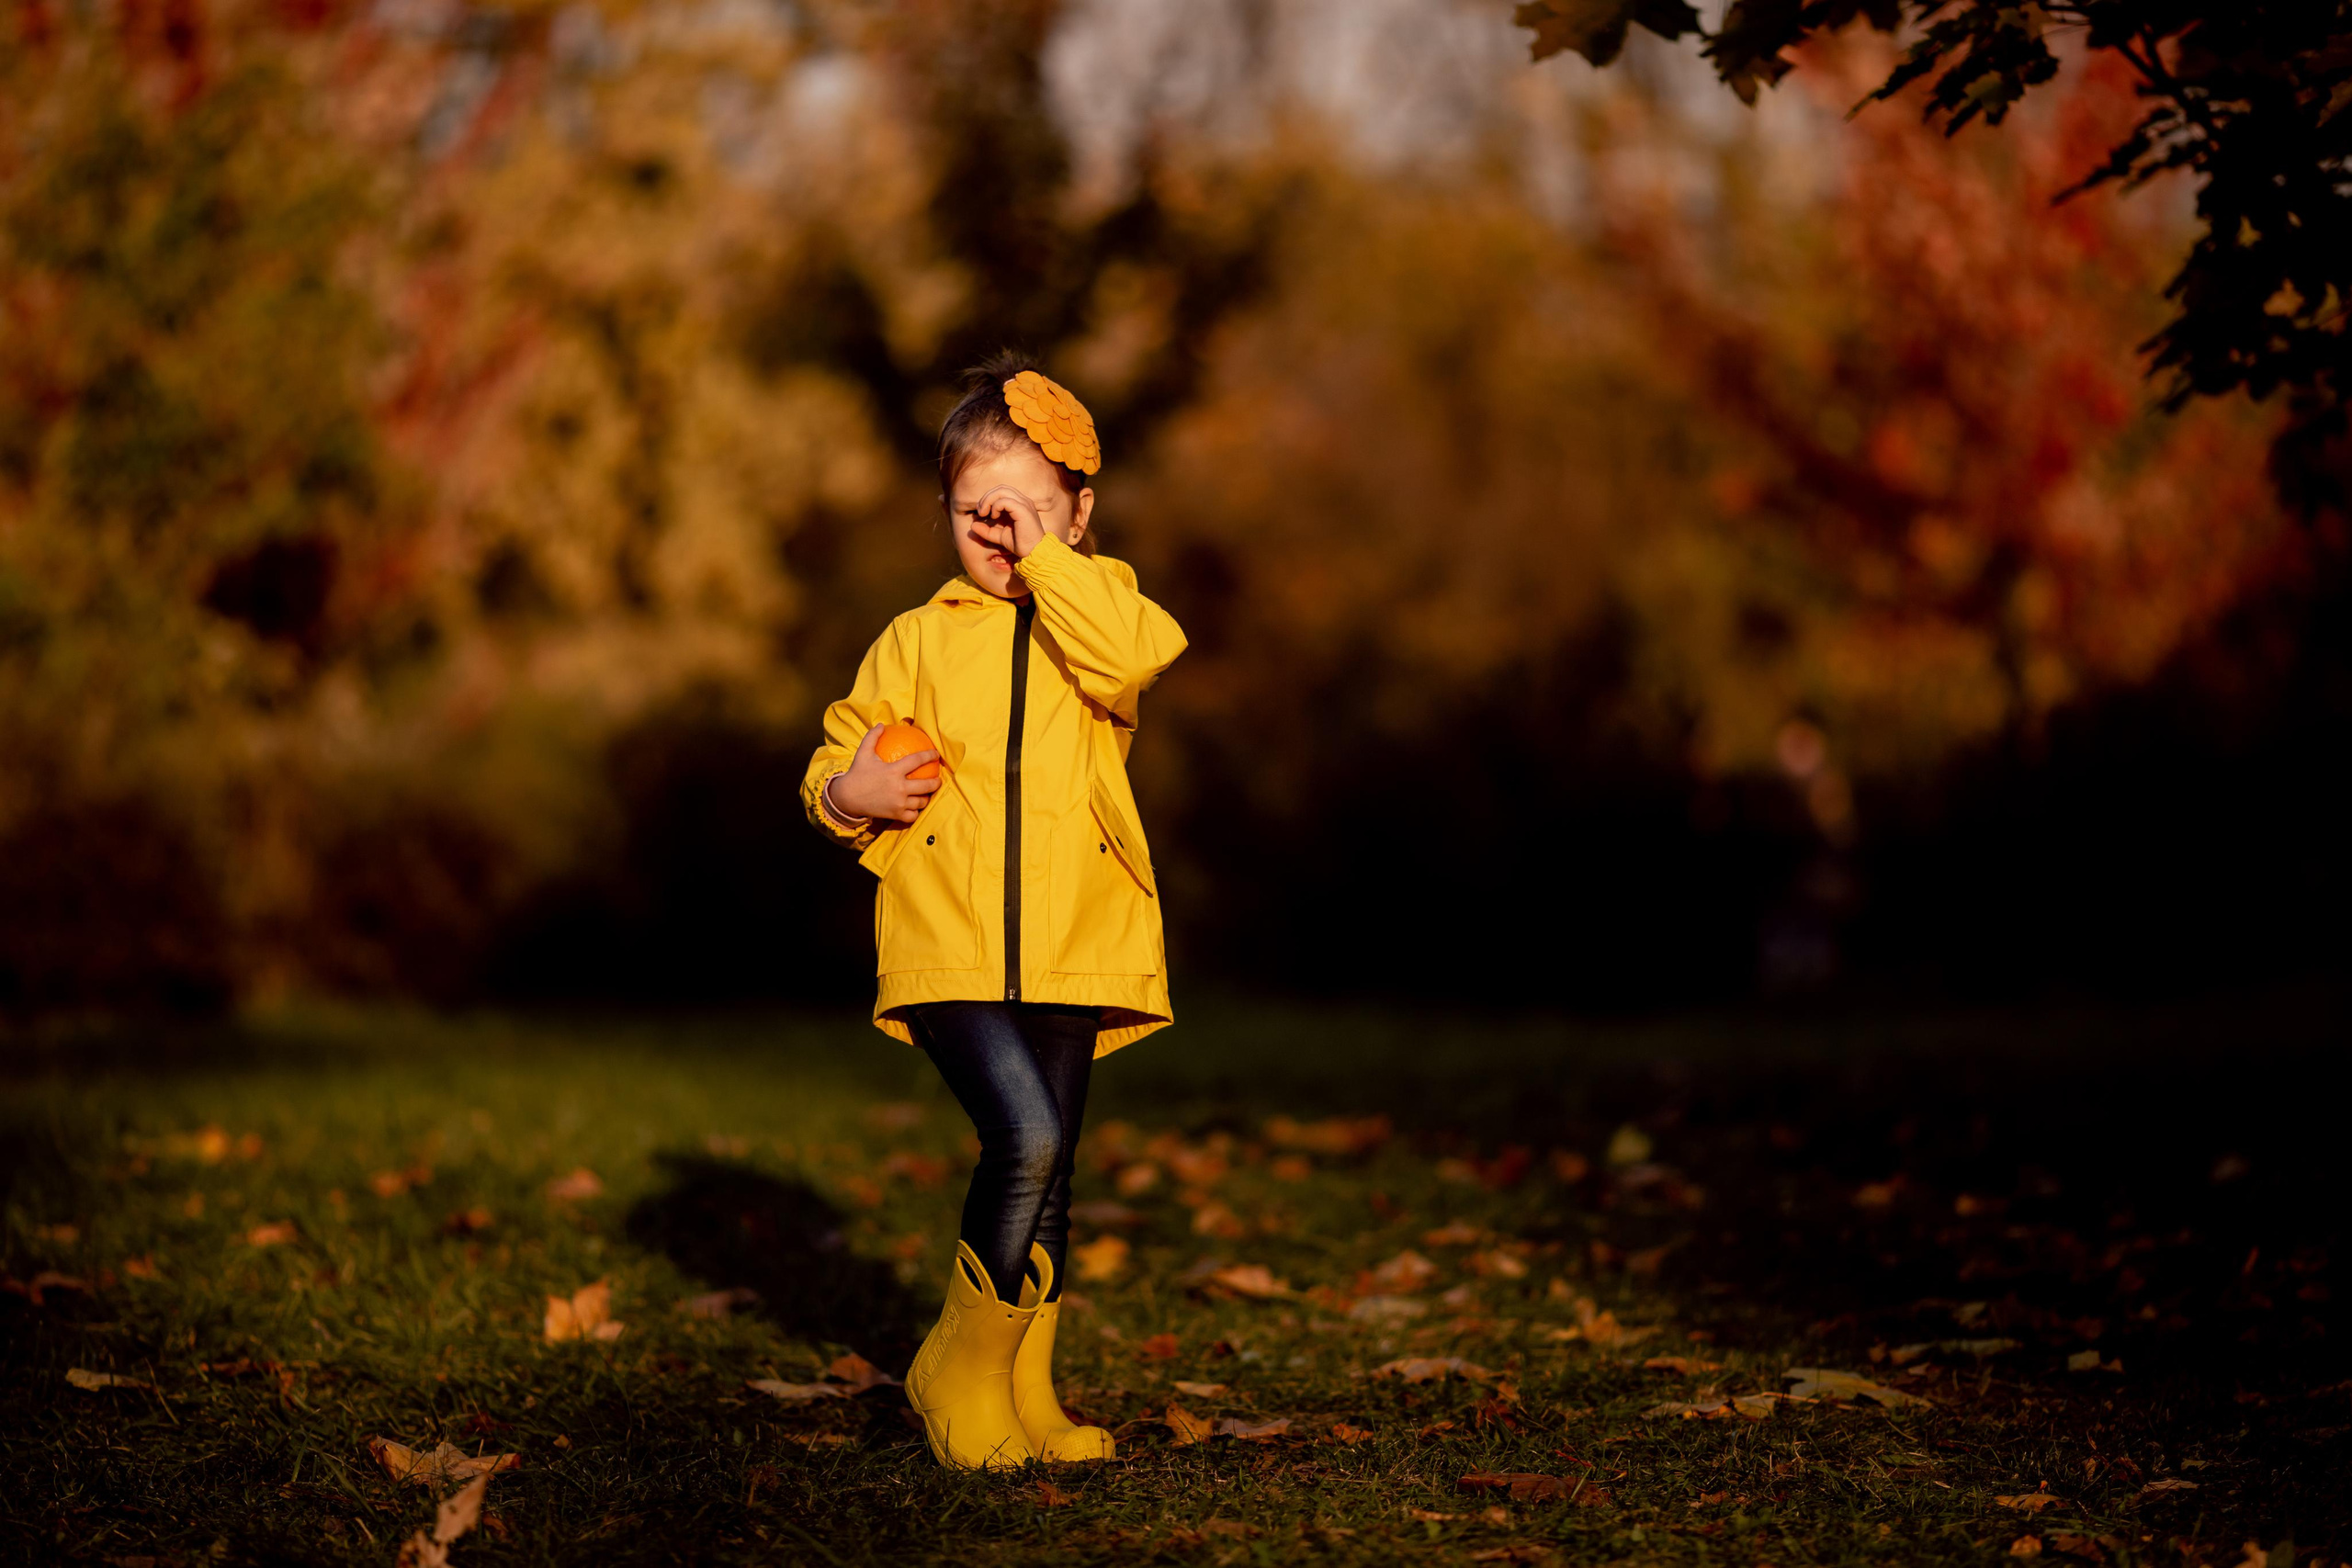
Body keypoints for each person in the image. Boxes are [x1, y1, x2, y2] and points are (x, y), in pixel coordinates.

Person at [800, 355, 1188, 1469]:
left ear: (1080, 515)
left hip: (1075, 939)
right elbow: (837, 753)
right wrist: (850, 792)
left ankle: (1024, 1389)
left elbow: (1139, 654)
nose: (1003, 533)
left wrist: (1051, 559)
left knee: (1052, 1173)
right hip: (948, 943)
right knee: (1024, 1138)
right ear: (945, 516)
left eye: (1026, 510)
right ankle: (958, 1374)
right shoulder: (916, 639)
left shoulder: (1100, 613)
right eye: (980, 512)